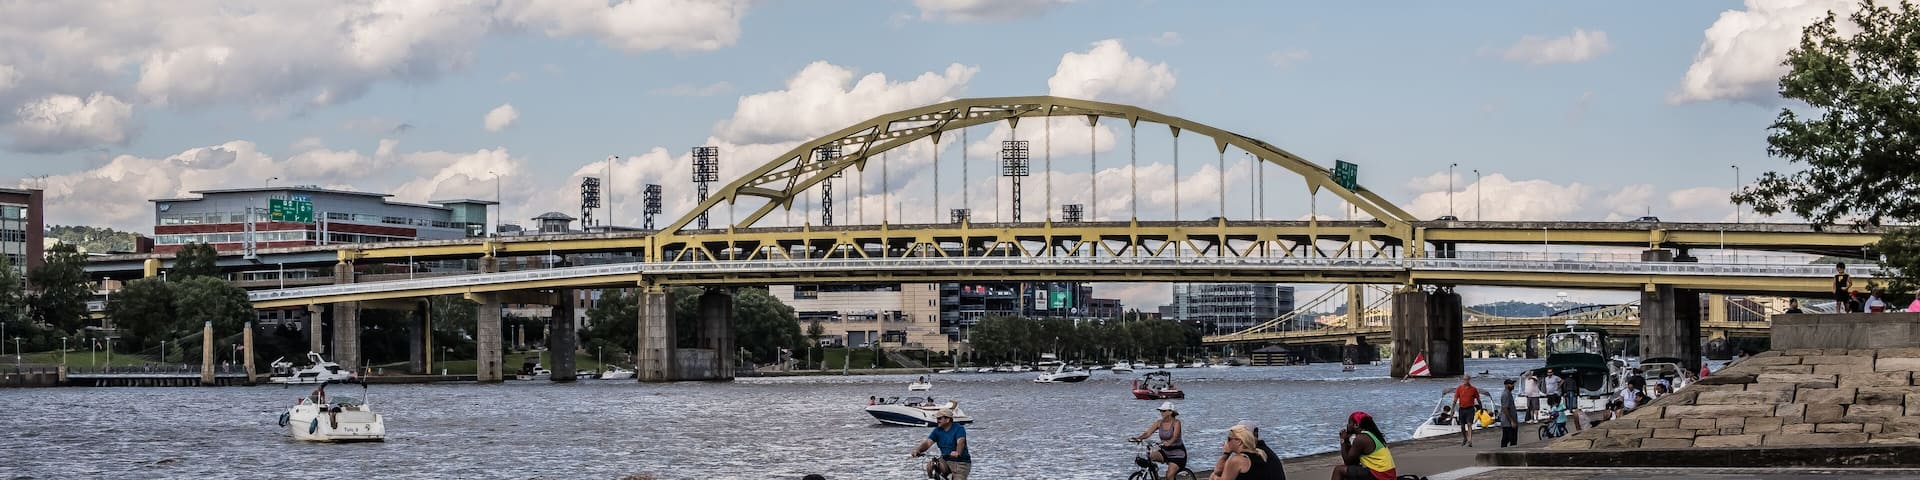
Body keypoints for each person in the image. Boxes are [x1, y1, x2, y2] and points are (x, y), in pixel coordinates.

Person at [1130, 401, 1187, 480]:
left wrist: (1169, 442)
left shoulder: (1176, 422)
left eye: (1163, 411)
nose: (1161, 413)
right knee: (1151, 456)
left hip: (1178, 454)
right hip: (1165, 452)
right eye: (1160, 411)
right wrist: (1138, 438)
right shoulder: (1159, 423)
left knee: (1169, 476)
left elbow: (1175, 436)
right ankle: (1154, 473)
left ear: (1170, 412)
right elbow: (1148, 433)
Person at [1334, 411, 1396, 480]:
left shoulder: (1361, 438)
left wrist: (1342, 440)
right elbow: (1353, 462)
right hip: (1388, 474)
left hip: (1381, 475)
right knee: (1349, 471)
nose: (1347, 425)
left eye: (1349, 423)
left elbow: (1347, 461)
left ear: (1356, 425)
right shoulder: (1371, 435)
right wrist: (1347, 441)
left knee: (1338, 470)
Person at [911, 409, 970, 480]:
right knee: (932, 464)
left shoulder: (959, 429)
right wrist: (918, 450)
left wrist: (957, 452)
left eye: (939, 418)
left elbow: (961, 442)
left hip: (960, 463)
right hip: (945, 460)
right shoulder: (937, 431)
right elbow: (928, 443)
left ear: (947, 419)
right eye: (937, 418)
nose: (937, 420)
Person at [1454, 375, 1482, 447]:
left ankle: (1470, 440)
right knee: (1462, 426)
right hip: (1462, 409)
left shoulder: (1473, 389)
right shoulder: (1459, 388)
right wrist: (1452, 410)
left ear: (1469, 380)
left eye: (1467, 379)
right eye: (1464, 380)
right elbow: (1455, 400)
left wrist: (1481, 408)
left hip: (1470, 409)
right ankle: (1465, 438)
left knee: (1469, 424)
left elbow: (1478, 399)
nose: (1466, 381)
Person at [1499, 379, 1520, 448]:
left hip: (1509, 421)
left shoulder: (1509, 393)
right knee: (1511, 439)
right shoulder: (1505, 394)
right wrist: (1511, 421)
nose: (1513, 385)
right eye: (1511, 384)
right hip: (1507, 422)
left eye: (1513, 384)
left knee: (1507, 439)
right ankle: (1505, 452)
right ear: (1506, 385)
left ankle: (1503, 451)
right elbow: (1505, 409)